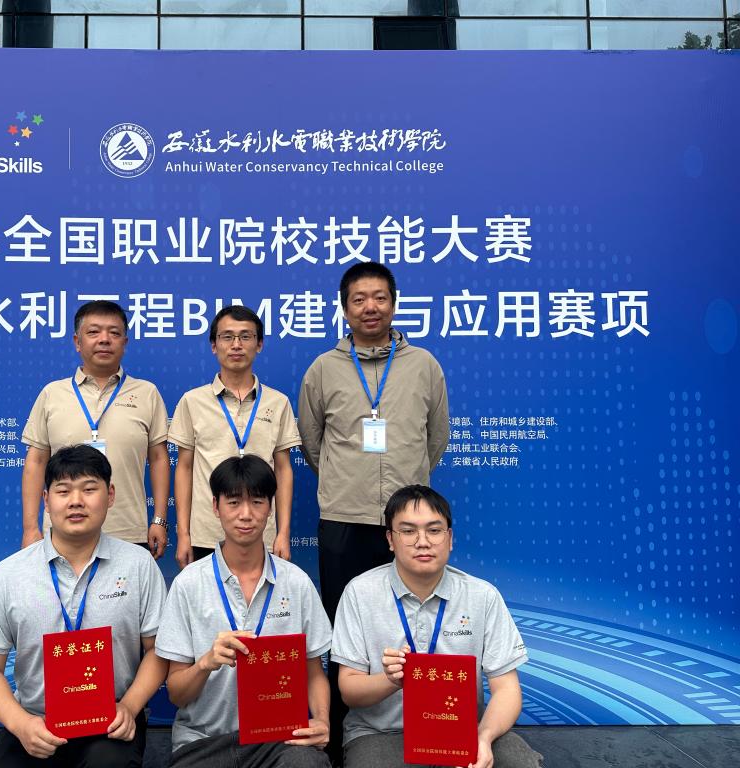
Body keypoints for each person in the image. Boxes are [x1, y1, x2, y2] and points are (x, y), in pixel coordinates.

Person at [298, 262, 449, 759]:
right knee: (342, 628)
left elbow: (436, 437)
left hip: (408, 523)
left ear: (394, 303)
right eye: (359, 299)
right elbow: (313, 442)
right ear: (344, 308)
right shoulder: (324, 368)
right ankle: (341, 738)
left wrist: (407, 486)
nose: (370, 307)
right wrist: (347, 480)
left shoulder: (424, 364)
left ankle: (426, 729)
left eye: (380, 297)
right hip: (344, 517)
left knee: (414, 623)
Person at [0, 445, 169, 768]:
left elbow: (157, 650)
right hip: (36, 721)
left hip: (110, 722)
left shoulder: (138, 565)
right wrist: (21, 724)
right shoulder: (8, 575)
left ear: (110, 495)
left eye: (89, 489)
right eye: (63, 491)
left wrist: (129, 707)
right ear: (46, 501)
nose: (76, 501)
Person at [331, 485, 542, 768]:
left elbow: (507, 689)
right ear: (390, 539)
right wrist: (391, 679)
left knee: (519, 762)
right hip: (383, 733)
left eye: (434, 530)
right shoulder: (360, 593)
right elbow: (349, 690)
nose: (423, 542)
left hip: (463, 728)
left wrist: (483, 737)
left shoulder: (483, 596)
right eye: (408, 531)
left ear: (450, 538)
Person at [156, 455, 332, 768]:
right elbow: (177, 694)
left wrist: (321, 720)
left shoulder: (296, 583)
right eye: (234, 502)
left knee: (307, 763)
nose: (246, 514)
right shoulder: (188, 584)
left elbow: (314, 672)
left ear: (271, 507)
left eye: (257, 502)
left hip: (279, 739)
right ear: (215, 506)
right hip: (203, 740)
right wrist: (205, 663)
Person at [20, 300, 171, 557]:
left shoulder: (147, 393)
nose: (104, 339)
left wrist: (159, 520)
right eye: (93, 332)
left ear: (125, 342)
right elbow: (36, 461)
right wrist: (30, 527)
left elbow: (158, 459)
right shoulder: (52, 393)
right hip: (62, 532)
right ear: (77, 342)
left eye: (114, 333)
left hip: (127, 532)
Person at [169, 305, 301, 568]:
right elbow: (184, 468)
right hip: (206, 533)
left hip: (261, 532)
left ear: (259, 344)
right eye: (227, 337)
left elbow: (283, 469)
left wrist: (283, 532)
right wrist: (183, 534)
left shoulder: (278, 402)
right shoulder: (192, 401)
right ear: (214, 345)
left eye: (246, 336)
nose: (236, 345)